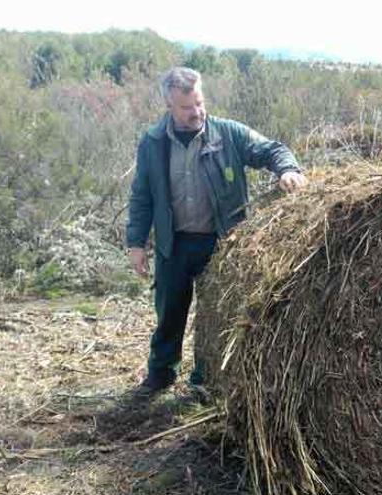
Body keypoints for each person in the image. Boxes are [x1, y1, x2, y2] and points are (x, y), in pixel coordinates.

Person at [126, 67, 307, 396]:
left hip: (221, 243)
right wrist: (136, 243)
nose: (196, 112)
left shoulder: (228, 134)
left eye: (200, 103)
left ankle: (204, 380)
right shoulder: (153, 143)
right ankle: (161, 375)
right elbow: (142, 195)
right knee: (169, 313)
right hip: (174, 244)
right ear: (169, 105)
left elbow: (272, 149)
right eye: (186, 107)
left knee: (215, 318)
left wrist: (288, 169)